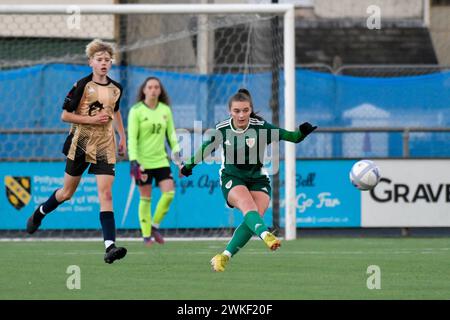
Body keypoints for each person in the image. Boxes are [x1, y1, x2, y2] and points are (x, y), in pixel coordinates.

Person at [180, 88, 317, 272]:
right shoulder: (222, 129)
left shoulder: (261, 128)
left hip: (258, 179)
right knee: (248, 206)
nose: (241, 114)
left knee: (253, 219)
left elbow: (290, 137)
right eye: (237, 111)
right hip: (232, 177)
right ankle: (266, 235)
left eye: (245, 110)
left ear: (250, 109)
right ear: (230, 111)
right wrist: (188, 167)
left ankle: (224, 256)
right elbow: (205, 149)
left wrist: (302, 131)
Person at [26, 39, 128, 264]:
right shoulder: (82, 85)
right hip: (81, 142)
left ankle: (109, 247)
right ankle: (40, 212)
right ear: (90, 62)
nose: (103, 63)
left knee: (106, 194)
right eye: (99, 59)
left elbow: (116, 111)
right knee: (67, 193)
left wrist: (122, 136)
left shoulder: (116, 89)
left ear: (111, 63)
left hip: (104, 144)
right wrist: (90, 118)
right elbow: (64, 115)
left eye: (107, 60)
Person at [127, 77, 181, 246]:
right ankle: (146, 236)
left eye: (156, 87)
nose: (153, 90)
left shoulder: (165, 110)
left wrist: (178, 157)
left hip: (161, 161)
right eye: (149, 87)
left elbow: (171, 135)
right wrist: (134, 161)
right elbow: (132, 139)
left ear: (160, 90)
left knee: (169, 193)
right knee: (145, 198)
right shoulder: (136, 110)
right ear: (144, 90)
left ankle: (154, 225)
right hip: (143, 162)